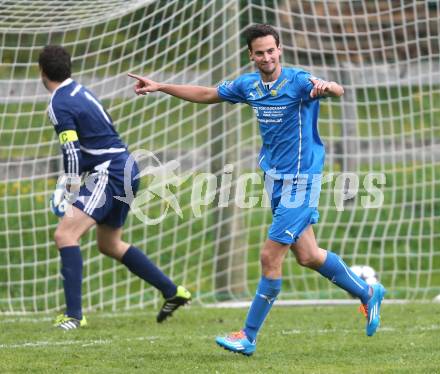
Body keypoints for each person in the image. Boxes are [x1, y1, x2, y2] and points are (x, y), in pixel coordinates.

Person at [128, 24, 386, 356]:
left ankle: (248, 336)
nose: (267, 57)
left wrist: (328, 87)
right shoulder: (248, 86)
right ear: (251, 55)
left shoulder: (297, 81)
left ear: (280, 50)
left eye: (271, 50)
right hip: (275, 180)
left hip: (301, 181)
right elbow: (207, 93)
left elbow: (335, 89)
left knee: (268, 257)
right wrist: (161, 86)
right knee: (308, 255)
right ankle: (367, 292)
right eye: (260, 52)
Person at [39, 45, 191, 330]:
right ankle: (173, 291)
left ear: (41, 72)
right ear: (68, 68)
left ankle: (73, 315)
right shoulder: (81, 92)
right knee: (109, 244)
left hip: (110, 172)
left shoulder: (59, 103)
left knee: (64, 234)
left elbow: (71, 150)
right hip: (126, 167)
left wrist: (68, 186)